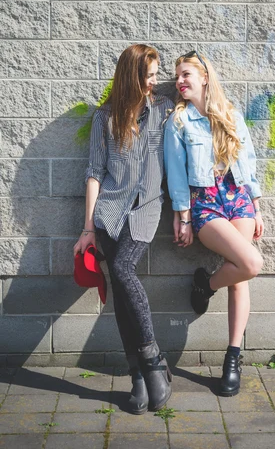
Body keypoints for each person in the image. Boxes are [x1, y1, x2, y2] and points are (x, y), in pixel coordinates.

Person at [73, 44, 174, 415]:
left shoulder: (164, 112)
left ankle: (153, 359)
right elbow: (95, 173)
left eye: (157, 74)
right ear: (133, 76)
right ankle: (137, 376)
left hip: (146, 212)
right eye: (149, 74)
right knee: (119, 289)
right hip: (109, 214)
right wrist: (87, 228)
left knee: (121, 269)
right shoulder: (106, 118)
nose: (155, 81)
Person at [164, 50, 264, 397]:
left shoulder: (231, 115)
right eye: (177, 75)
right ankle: (205, 285)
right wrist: (183, 216)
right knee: (250, 263)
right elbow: (176, 173)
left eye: (186, 73)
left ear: (205, 77)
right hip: (205, 204)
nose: (180, 81)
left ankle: (232, 358)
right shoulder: (178, 122)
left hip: (238, 199)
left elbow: (248, 162)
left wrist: (256, 206)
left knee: (241, 276)